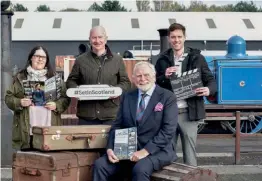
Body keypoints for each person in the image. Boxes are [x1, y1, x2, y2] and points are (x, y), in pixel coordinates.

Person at [93, 61, 178, 181]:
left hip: (158, 151)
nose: (142, 79)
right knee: (100, 165)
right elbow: (117, 125)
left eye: (146, 75)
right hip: (127, 150)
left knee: (140, 169)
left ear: (154, 76)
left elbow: (168, 131)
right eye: (138, 76)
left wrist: (145, 151)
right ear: (133, 78)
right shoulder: (128, 96)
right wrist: (110, 148)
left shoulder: (167, 97)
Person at [154, 23, 217, 166]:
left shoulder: (196, 57)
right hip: (168, 112)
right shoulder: (162, 59)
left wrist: (208, 90)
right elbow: (154, 84)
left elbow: (210, 80)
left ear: (185, 37)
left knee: (189, 154)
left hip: (189, 112)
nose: (176, 40)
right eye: (173, 37)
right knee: (167, 152)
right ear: (169, 39)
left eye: (179, 37)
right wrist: (164, 76)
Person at [5, 46, 71, 150]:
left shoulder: (55, 78)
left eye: (43, 57)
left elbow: (66, 98)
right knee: (28, 161)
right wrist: (20, 102)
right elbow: (8, 98)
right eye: (37, 56)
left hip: (49, 129)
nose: (40, 59)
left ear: (47, 60)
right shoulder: (20, 77)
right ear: (31, 58)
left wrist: (56, 105)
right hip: (26, 131)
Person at [66, 26, 131, 125]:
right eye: (94, 37)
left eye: (100, 37)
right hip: (86, 115)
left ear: (106, 38)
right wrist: (77, 91)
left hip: (111, 116)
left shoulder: (117, 60)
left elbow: (126, 83)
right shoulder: (80, 60)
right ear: (89, 40)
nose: (97, 41)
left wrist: (115, 91)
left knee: (110, 141)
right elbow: (71, 81)